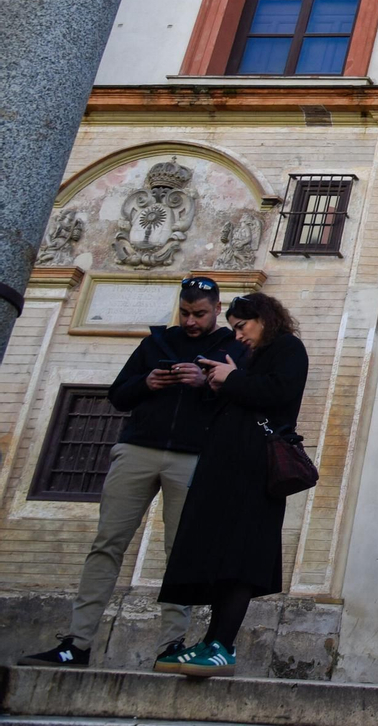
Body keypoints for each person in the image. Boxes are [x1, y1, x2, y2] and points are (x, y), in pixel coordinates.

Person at [18, 277, 241, 670]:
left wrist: (206, 384)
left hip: (192, 458)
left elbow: (239, 404)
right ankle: (77, 643)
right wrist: (147, 382)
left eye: (199, 314)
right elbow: (118, 395)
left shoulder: (231, 348)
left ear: (216, 309)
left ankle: (173, 645)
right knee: (107, 544)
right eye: (185, 313)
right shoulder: (155, 343)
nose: (191, 321)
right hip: (137, 450)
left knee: (180, 553)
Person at [153, 292, 309, 678]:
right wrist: (217, 384)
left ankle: (223, 645)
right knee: (221, 558)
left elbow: (280, 392)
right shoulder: (248, 356)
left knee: (241, 559)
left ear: (264, 318)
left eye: (243, 326)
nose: (238, 335)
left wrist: (233, 378)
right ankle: (211, 641)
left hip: (255, 473)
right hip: (226, 470)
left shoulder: (289, 347)